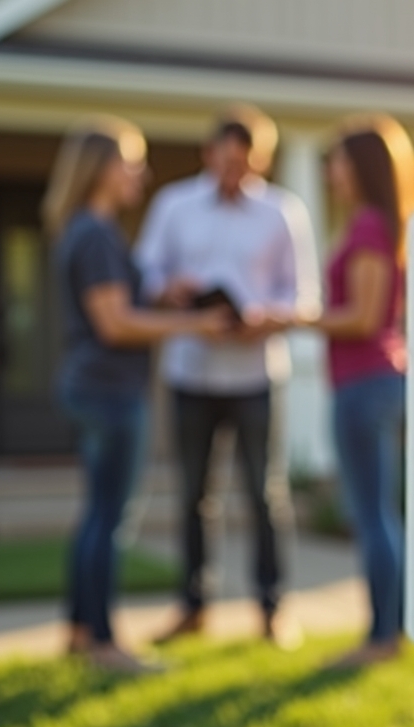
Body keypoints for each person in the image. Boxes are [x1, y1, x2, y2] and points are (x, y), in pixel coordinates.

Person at [43, 117, 225, 672]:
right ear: (102, 168)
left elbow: (122, 306)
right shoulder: (96, 233)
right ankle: (103, 642)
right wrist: (198, 326)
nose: (140, 175)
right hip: (110, 392)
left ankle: (79, 632)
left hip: (93, 386)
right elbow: (116, 324)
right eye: (131, 162)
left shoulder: (84, 229)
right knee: (109, 518)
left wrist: (165, 295)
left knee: (96, 515)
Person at [138, 105, 318, 647]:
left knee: (264, 494)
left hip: (256, 374)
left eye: (244, 164)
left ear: (259, 161)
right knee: (194, 494)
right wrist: (170, 291)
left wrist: (265, 315)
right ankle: (193, 606)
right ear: (208, 154)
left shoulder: (283, 212)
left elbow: (303, 295)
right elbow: (147, 272)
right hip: (190, 372)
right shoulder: (174, 205)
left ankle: (272, 608)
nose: (232, 173)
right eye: (224, 161)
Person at [307, 114, 414, 668]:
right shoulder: (375, 224)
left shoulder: (369, 227)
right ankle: (388, 632)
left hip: (365, 384)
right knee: (380, 512)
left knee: (372, 513)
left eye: (338, 161)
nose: (331, 172)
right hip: (374, 383)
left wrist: (297, 317)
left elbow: (364, 318)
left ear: (360, 167)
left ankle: (382, 638)